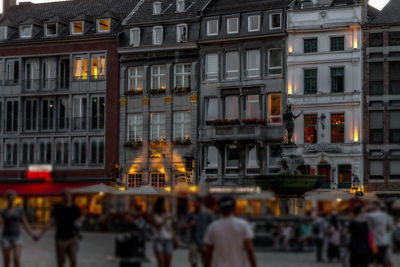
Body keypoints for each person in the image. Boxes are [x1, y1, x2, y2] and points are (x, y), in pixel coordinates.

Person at [204, 196, 257, 267]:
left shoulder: (213, 227)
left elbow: (209, 254)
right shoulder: (243, 225)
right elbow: (249, 251)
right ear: (234, 208)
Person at [38, 189, 82, 267]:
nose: (68, 197)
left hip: (72, 238)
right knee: (61, 262)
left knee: (73, 260)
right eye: (66, 195)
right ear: (63, 197)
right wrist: (40, 234)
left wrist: (78, 231)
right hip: (60, 239)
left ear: (71, 197)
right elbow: (50, 221)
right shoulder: (58, 208)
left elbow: (79, 220)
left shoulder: (75, 208)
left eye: (69, 195)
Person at [0, 190, 37, 267]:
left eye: (12, 198)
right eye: (9, 198)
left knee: (16, 258)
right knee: (7, 260)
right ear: (6, 199)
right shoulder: (3, 211)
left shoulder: (19, 210)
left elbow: (25, 223)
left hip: (17, 237)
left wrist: (32, 234)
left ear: (14, 199)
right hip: (5, 237)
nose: (11, 200)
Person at [184, 197, 214, 267]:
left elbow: (213, 227)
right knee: (193, 261)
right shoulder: (191, 214)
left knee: (206, 262)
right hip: (193, 240)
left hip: (205, 241)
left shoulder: (208, 214)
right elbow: (184, 226)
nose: (194, 204)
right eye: (193, 202)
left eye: (195, 202)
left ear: (201, 203)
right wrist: (190, 224)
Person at [149, 197, 175, 267]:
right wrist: (165, 219)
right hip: (158, 239)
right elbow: (157, 226)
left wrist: (175, 238)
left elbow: (170, 227)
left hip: (168, 239)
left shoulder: (167, 213)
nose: (166, 205)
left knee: (168, 263)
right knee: (161, 262)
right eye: (165, 203)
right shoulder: (154, 214)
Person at [366, 201, 390, 267]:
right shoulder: (385, 215)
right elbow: (388, 228)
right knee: (380, 262)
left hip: (373, 242)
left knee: (371, 261)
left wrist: (366, 208)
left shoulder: (369, 215)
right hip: (383, 241)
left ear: (374, 206)